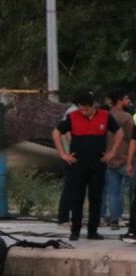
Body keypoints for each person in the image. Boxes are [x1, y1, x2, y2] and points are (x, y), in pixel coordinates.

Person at [52, 92, 122, 241]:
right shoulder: (73, 117)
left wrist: (112, 152)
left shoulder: (105, 116)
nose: (83, 112)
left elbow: (119, 132)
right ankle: (75, 230)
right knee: (77, 197)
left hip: (98, 162)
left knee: (95, 197)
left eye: (86, 109)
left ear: (92, 106)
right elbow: (56, 132)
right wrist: (63, 154)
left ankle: (93, 230)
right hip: (78, 163)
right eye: (80, 109)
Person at [102, 91, 134, 228]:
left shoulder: (104, 116)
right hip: (126, 157)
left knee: (112, 191)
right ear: (120, 100)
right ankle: (131, 219)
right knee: (130, 191)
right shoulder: (126, 117)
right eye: (126, 98)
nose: (128, 100)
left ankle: (114, 218)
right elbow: (131, 138)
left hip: (109, 157)